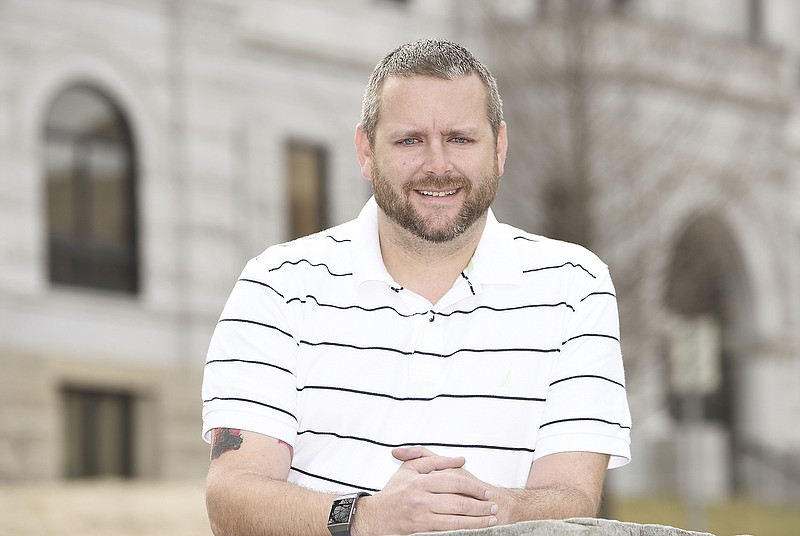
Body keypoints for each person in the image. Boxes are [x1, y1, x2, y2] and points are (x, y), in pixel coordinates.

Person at [202, 38, 631, 536]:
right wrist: (368, 518)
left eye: (461, 139)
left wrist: (487, 508)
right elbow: (231, 498)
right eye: (409, 140)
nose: (437, 164)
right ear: (366, 151)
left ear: (500, 148)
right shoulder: (276, 287)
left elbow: (574, 497)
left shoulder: (576, 288)